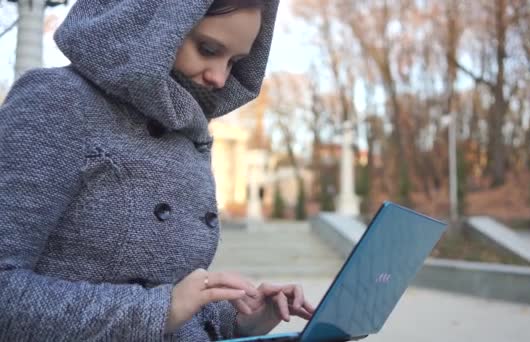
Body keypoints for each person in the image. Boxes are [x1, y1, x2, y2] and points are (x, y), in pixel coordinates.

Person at [0, 0, 314, 340]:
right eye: (208, 49)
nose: (220, 78)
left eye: (234, 62)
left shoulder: (186, 128)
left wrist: (238, 319)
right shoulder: (55, 101)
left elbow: (167, 297)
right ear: (147, 21)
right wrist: (161, 310)